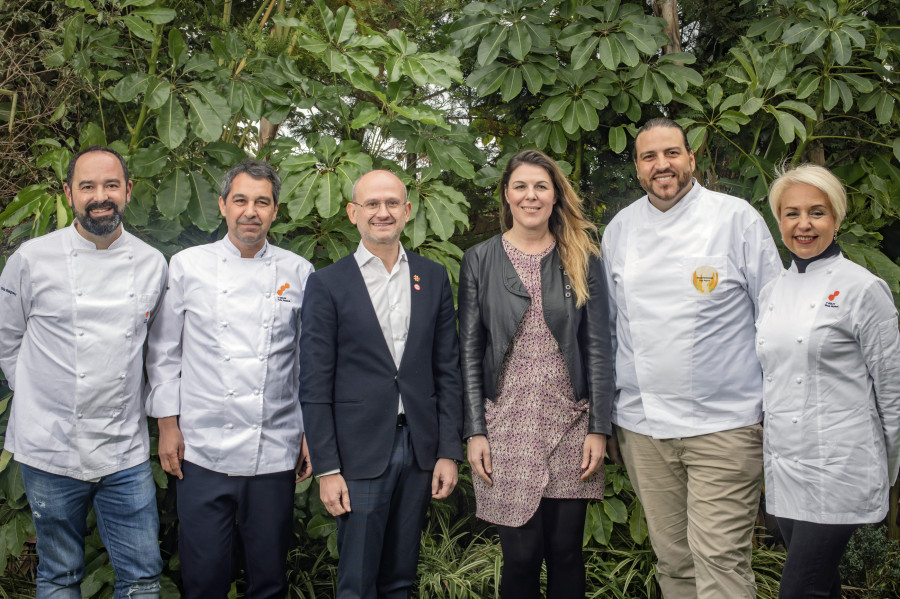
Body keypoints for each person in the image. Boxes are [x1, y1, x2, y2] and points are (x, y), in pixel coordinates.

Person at [602, 118, 783, 598]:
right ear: (638, 168)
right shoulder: (619, 230)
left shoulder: (736, 218)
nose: (662, 165)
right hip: (645, 428)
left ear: (691, 159)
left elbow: (777, 317)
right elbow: (611, 330)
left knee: (720, 562)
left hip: (725, 426)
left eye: (671, 153)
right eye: (649, 157)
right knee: (675, 564)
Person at [0, 145, 166, 598]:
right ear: (70, 193)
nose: (100, 196)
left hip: (123, 449)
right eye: (87, 186)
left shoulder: (153, 263)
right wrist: (39, 397)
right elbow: (7, 341)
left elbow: (156, 354)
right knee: (58, 573)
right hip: (49, 445)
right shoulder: (31, 260)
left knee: (143, 576)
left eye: (111, 185)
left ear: (128, 191)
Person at [145, 160, 313, 599]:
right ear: (222, 206)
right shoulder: (186, 266)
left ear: (276, 211)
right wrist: (167, 424)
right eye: (240, 200)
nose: (250, 211)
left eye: (262, 202)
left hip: (274, 448)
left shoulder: (299, 272)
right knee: (203, 580)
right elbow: (164, 352)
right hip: (200, 450)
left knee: (270, 579)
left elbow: (306, 361)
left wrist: (308, 432)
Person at [299, 169, 463, 599]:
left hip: (420, 449)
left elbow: (447, 370)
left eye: (392, 203)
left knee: (401, 578)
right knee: (357, 580)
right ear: (353, 213)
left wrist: (449, 451)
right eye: (372, 204)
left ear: (407, 211)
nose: (383, 212)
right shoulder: (327, 284)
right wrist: (328, 468)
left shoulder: (432, 277)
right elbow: (314, 383)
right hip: (358, 454)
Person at [459, 149, 614, 598]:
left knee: (566, 552)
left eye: (541, 186)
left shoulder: (582, 257)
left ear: (555, 195)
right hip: (505, 426)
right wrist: (475, 431)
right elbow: (469, 352)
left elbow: (599, 348)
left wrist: (598, 428)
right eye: (521, 186)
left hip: (571, 423)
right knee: (522, 556)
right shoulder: (480, 260)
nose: (531, 195)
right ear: (506, 194)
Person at [756, 164, 900, 599]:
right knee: (823, 587)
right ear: (778, 221)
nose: (804, 224)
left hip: (840, 466)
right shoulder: (772, 292)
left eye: (817, 212)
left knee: (799, 591)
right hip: (784, 466)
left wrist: (889, 470)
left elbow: (892, 390)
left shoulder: (863, 288)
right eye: (792, 213)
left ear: (836, 219)